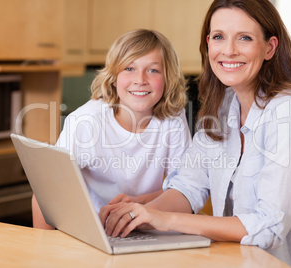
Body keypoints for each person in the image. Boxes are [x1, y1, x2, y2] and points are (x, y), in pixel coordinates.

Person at [99, 1, 291, 267]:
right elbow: (189, 186)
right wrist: (139, 216)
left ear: (269, 47)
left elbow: (269, 225)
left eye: (244, 38)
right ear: (209, 43)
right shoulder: (222, 107)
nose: (229, 51)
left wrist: (166, 220)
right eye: (219, 37)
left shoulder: (288, 110)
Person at [32, 29, 191, 230]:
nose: (140, 79)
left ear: (168, 78)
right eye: (129, 68)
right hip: (94, 231)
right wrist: (45, 251)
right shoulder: (86, 121)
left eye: (153, 70)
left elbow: (184, 189)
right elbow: (46, 192)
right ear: (113, 77)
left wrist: (139, 202)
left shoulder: (173, 119)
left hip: (148, 228)